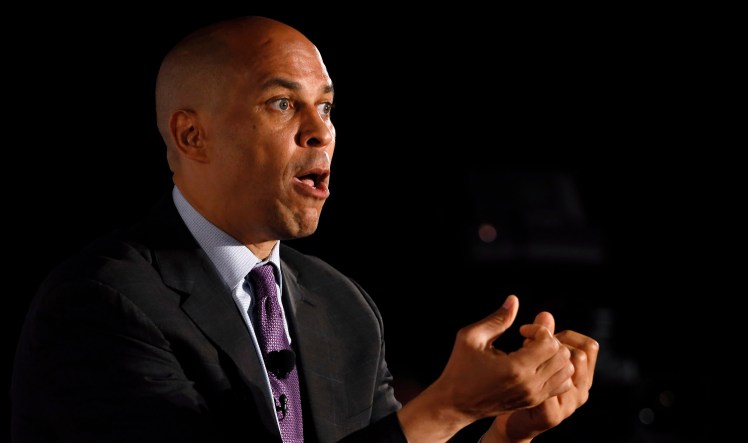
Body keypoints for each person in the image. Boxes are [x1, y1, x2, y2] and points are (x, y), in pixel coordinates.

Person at [10, 15, 599, 443]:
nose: (321, 132)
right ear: (192, 136)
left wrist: (505, 435)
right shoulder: (99, 303)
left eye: (327, 107)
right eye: (282, 104)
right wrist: (447, 407)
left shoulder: (342, 306)